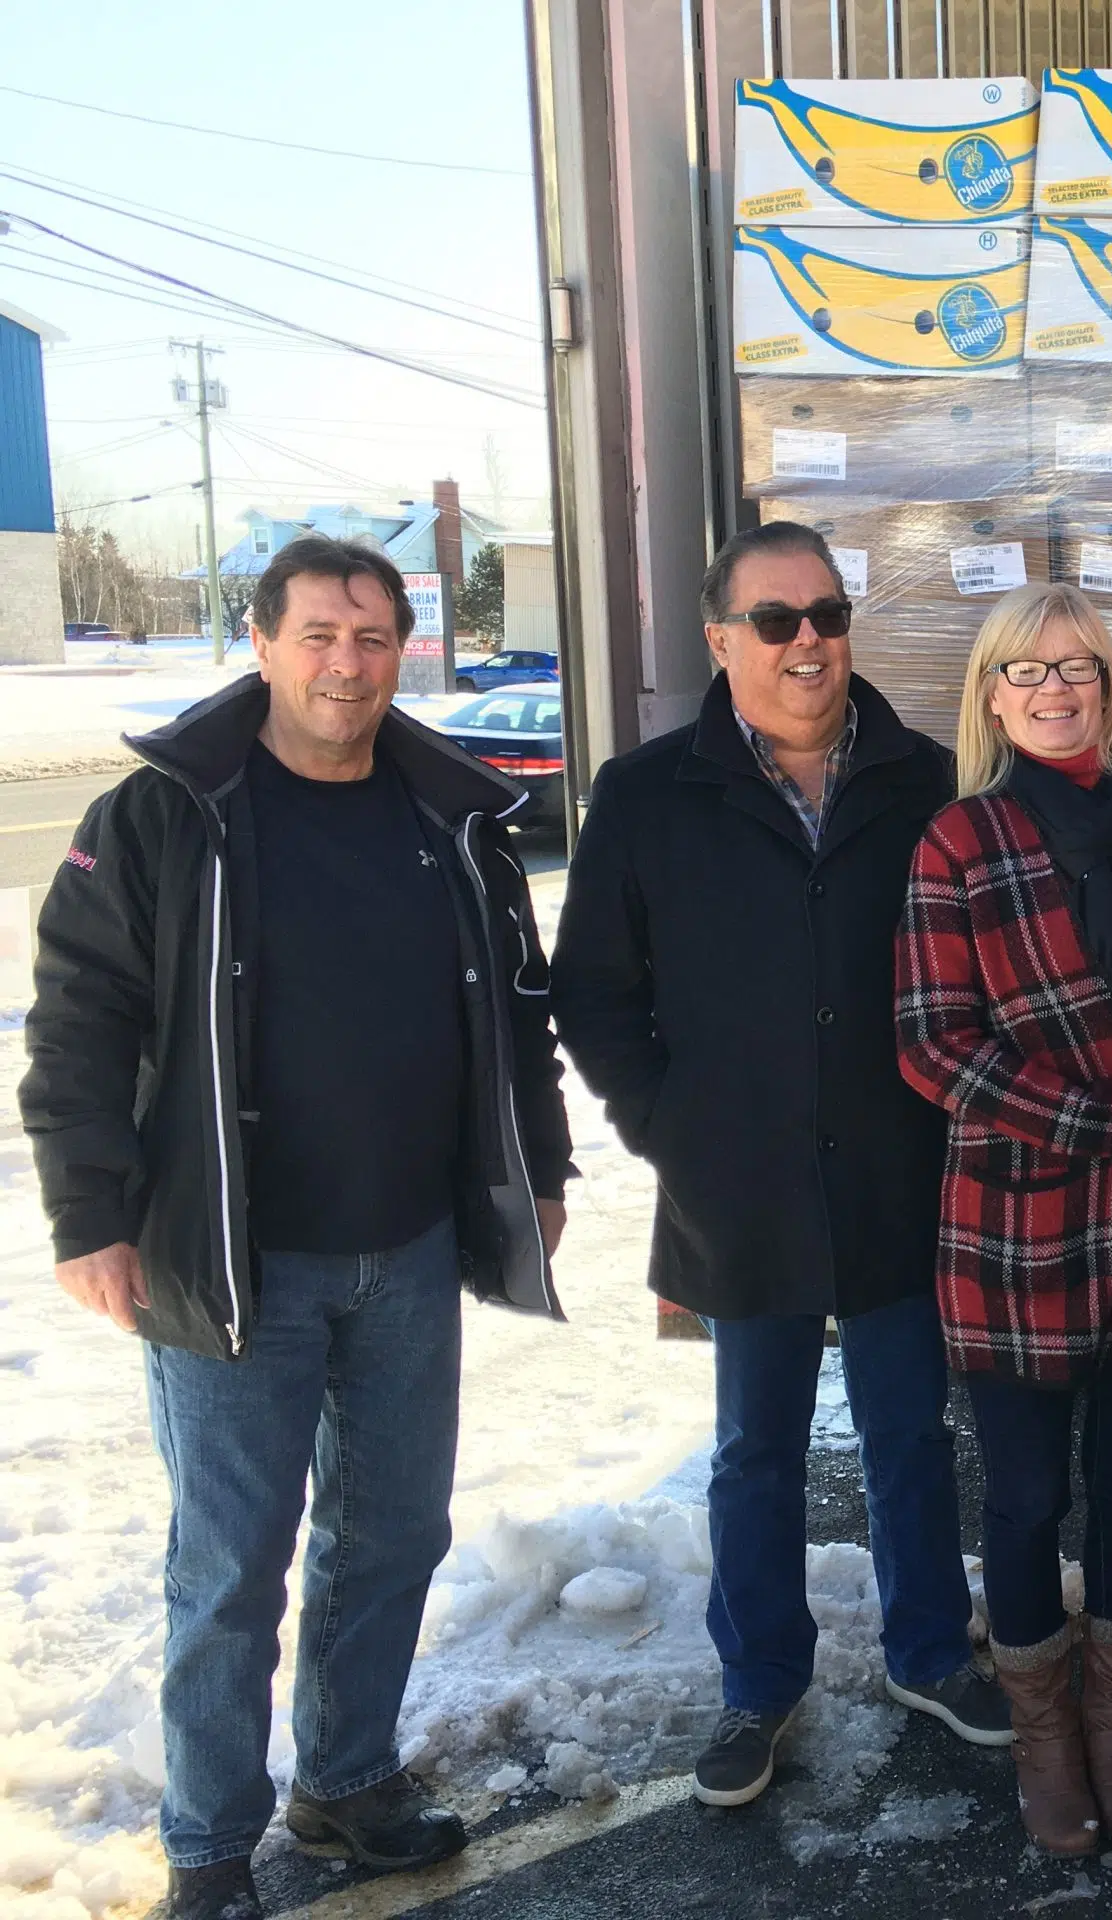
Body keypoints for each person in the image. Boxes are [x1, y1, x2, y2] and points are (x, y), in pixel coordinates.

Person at [21, 536, 572, 1920]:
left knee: (391, 1532)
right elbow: (77, 1026)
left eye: (374, 637)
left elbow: (517, 1015)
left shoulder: (448, 819)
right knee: (230, 1562)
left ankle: (347, 1779)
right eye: (320, 634)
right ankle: (208, 1842)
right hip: (225, 1259)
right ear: (261, 643)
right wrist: (92, 1216)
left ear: (405, 651)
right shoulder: (164, 818)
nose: (348, 663)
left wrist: (541, 1168)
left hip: (409, 1252)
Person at [550, 522, 1008, 1814]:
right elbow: (592, 991)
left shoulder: (924, 779)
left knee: (911, 1430)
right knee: (755, 1447)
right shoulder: (649, 795)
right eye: (774, 620)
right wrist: (669, 1128)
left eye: (825, 614)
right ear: (720, 640)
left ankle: (928, 1651)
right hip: (733, 1181)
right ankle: (758, 1682)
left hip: (894, 1165)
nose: (807, 641)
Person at [895, 584, 1112, 1857]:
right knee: (1025, 1501)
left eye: (1076, 666)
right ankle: (1044, 1749)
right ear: (990, 696)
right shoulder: (957, 842)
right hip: (1017, 1227)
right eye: (1025, 673)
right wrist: (1105, 1122)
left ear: (1108, 683)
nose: (1055, 689)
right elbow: (932, 1046)